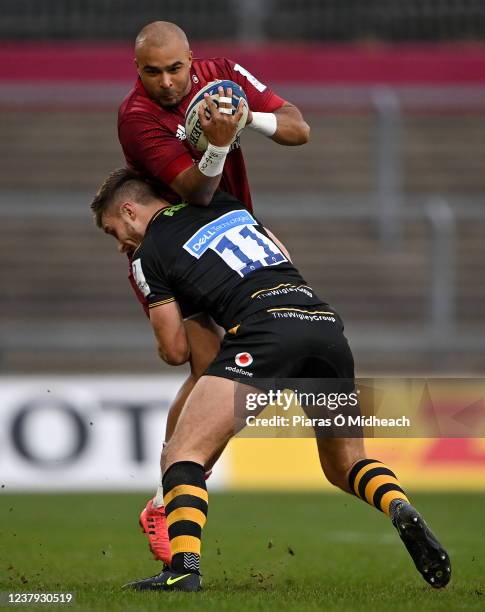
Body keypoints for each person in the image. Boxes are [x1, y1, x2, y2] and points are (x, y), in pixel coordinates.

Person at [91, 169, 451, 593]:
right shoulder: (224, 204)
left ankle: (183, 570)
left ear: (130, 211)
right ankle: (399, 506)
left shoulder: (147, 252)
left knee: (182, 454)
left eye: (114, 231)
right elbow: (280, 250)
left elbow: (175, 351)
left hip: (264, 332)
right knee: (346, 464)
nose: (119, 244)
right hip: (322, 324)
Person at [118, 20, 310, 562]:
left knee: (223, 378)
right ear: (138, 72)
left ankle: (166, 495)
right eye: (152, 72)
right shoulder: (136, 117)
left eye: (175, 69)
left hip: (236, 239)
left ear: (192, 59)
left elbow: (299, 127)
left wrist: (250, 117)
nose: (166, 83)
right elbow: (196, 192)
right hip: (178, 248)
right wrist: (220, 144)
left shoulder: (221, 75)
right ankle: (169, 489)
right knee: (200, 367)